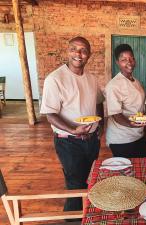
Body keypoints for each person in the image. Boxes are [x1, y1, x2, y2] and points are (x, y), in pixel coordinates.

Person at [40, 36, 104, 212]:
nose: (78, 53)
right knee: (75, 183)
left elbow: (99, 102)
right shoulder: (55, 79)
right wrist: (73, 129)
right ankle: (72, 218)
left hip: (91, 140)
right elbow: (50, 114)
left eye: (83, 50)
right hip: (68, 141)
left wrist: (101, 126)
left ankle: (88, 214)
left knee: (90, 178)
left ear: (89, 55)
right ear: (67, 52)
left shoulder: (91, 79)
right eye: (74, 49)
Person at [104, 44, 146, 157]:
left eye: (131, 58)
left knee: (141, 170)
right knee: (127, 172)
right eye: (123, 59)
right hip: (122, 139)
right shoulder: (114, 85)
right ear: (117, 63)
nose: (129, 62)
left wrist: (143, 125)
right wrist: (134, 124)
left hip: (138, 135)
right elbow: (116, 115)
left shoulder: (136, 81)